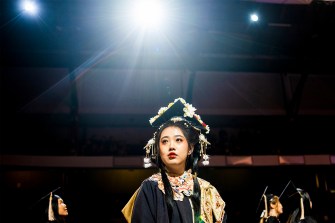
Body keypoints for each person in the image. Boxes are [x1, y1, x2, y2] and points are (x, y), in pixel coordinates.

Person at [122, 98, 227, 223]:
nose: (171, 146)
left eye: (178, 140)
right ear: (158, 149)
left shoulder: (207, 190)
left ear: (190, 148)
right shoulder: (150, 187)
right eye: (164, 141)